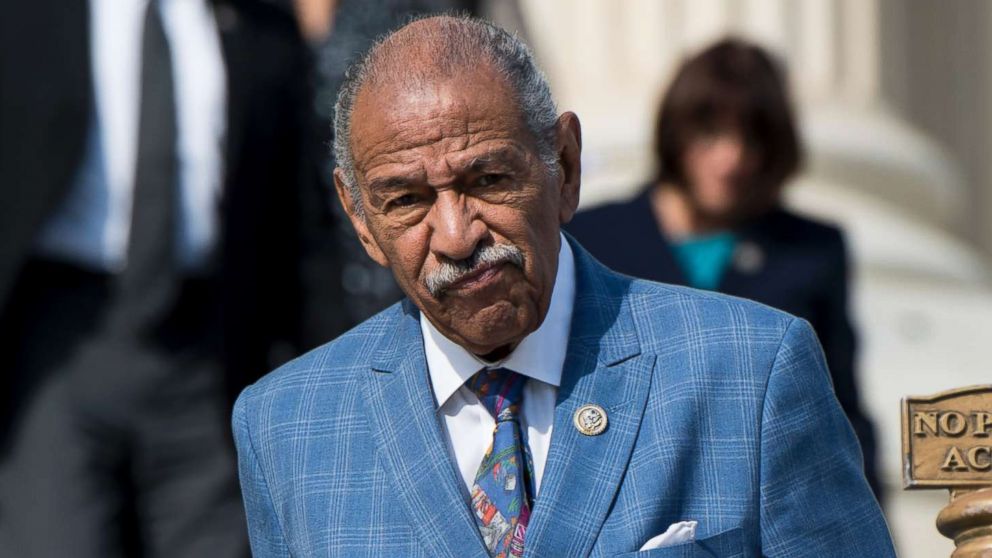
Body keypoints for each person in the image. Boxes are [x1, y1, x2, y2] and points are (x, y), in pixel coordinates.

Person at [233, 16, 896, 557]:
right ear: (361, 221)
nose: (458, 235)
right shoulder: (286, 427)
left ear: (565, 167)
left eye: (488, 180)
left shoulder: (750, 374)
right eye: (406, 200)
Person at [0, 0, 339, 555]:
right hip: (55, 341)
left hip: (209, 350)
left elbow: (300, 226)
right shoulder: (28, 16)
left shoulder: (259, 28)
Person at [566, 38, 883, 500]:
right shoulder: (591, 237)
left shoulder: (812, 250)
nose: (731, 158)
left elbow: (842, 412)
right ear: (676, 132)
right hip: (620, 503)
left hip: (769, 505)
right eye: (710, 133)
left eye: (752, 138)